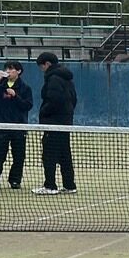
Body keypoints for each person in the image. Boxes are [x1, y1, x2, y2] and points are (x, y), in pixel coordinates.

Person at [33, 53, 77, 195]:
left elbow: (54, 100)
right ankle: (69, 185)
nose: (42, 70)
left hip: (53, 123)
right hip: (65, 122)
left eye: (42, 66)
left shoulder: (53, 79)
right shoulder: (67, 79)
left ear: (47, 64)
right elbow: (73, 100)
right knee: (65, 154)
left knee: (49, 155)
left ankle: (50, 186)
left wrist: (44, 113)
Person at [0, 59, 33, 193]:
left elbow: (27, 105)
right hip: (1, 127)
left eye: (11, 69)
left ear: (18, 71)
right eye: (7, 69)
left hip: (19, 127)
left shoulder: (25, 88)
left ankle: (15, 180)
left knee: (19, 156)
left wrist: (15, 96)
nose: (8, 71)